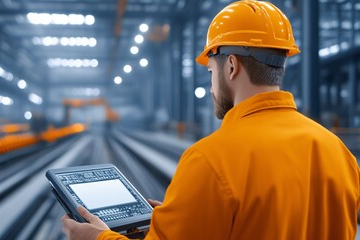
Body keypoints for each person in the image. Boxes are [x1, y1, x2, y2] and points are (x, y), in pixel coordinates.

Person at [61, 0, 360, 239]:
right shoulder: (338, 152)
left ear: (230, 66)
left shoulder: (209, 161)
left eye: (210, 72)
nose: (211, 86)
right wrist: (191, 213)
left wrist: (98, 238)